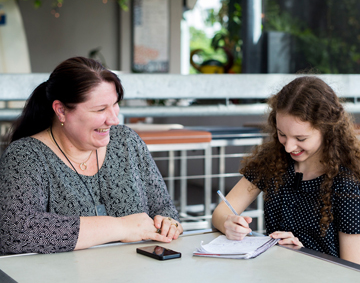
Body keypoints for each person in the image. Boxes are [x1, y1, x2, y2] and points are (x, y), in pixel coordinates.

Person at [0, 56, 183, 254]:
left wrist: (168, 223)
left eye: (115, 104)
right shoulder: (26, 156)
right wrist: (121, 227)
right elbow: (14, 232)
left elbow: (165, 208)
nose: (113, 119)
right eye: (100, 109)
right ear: (61, 111)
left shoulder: (126, 142)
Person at [212, 76, 360, 264]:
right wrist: (228, 223)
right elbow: (220, 212)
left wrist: (304, 253)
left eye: (301, 138)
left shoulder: (346, 182)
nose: (289, 147)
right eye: (282, 134)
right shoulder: (272, 160)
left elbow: (353, 268)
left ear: (327, 130)